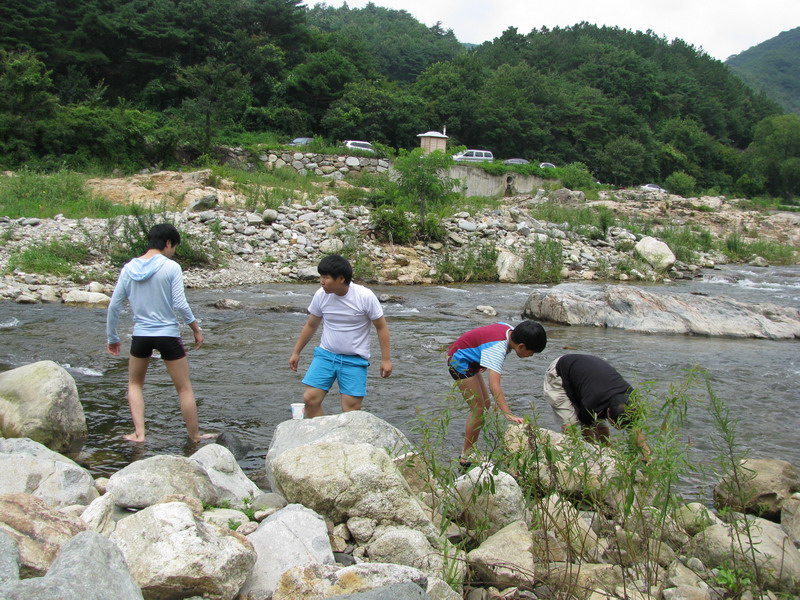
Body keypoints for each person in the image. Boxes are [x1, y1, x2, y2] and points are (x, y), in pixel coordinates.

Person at [106, 223, 214, 443]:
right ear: (167, 243)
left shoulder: (129, 268)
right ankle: (194, 435)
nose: (173, 252)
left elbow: (114, 305)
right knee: (184, 388)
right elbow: (180, 304)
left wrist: (112, 337)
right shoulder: (171, 267)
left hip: (141, 335)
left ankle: (139, 434)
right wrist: (195, 328)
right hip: (168, 335)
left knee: (135, 384)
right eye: (174, 247)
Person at [289, 254, 392, 418]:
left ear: (341, 279)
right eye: (321, 277)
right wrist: (296, 352)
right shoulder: (321, 295)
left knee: (351, 409)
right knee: (310, 399)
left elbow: (381, 327)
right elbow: (311, 324)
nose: (322, 281)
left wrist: (385, 359)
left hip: (355, 359)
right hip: (326, 355)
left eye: (326, 277)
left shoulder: (364, 296)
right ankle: (321, 436)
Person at [448, 320, 547, 463]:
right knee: (478, 408)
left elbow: (488, 332)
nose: (530, 356)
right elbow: (494, 386)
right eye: (531, 353)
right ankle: (466, 455)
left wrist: (480, 356)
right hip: (459, 361)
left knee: (485, 404)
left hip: (469, 357)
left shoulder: (510, 330)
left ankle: (470, 449)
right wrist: (507, 413)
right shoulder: (498, 349)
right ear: (521, 346)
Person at [543, 353, 650, 459]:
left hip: (588, 377)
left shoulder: (631, 400)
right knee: (570, 425)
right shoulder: (592, 403)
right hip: (559, 372)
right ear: (608, 412)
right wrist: (591, 455)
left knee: (601, 427)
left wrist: (648, 456)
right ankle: (572, 458)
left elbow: (634, 428)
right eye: (616, 426)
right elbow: (586, 430)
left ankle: (606, 455)